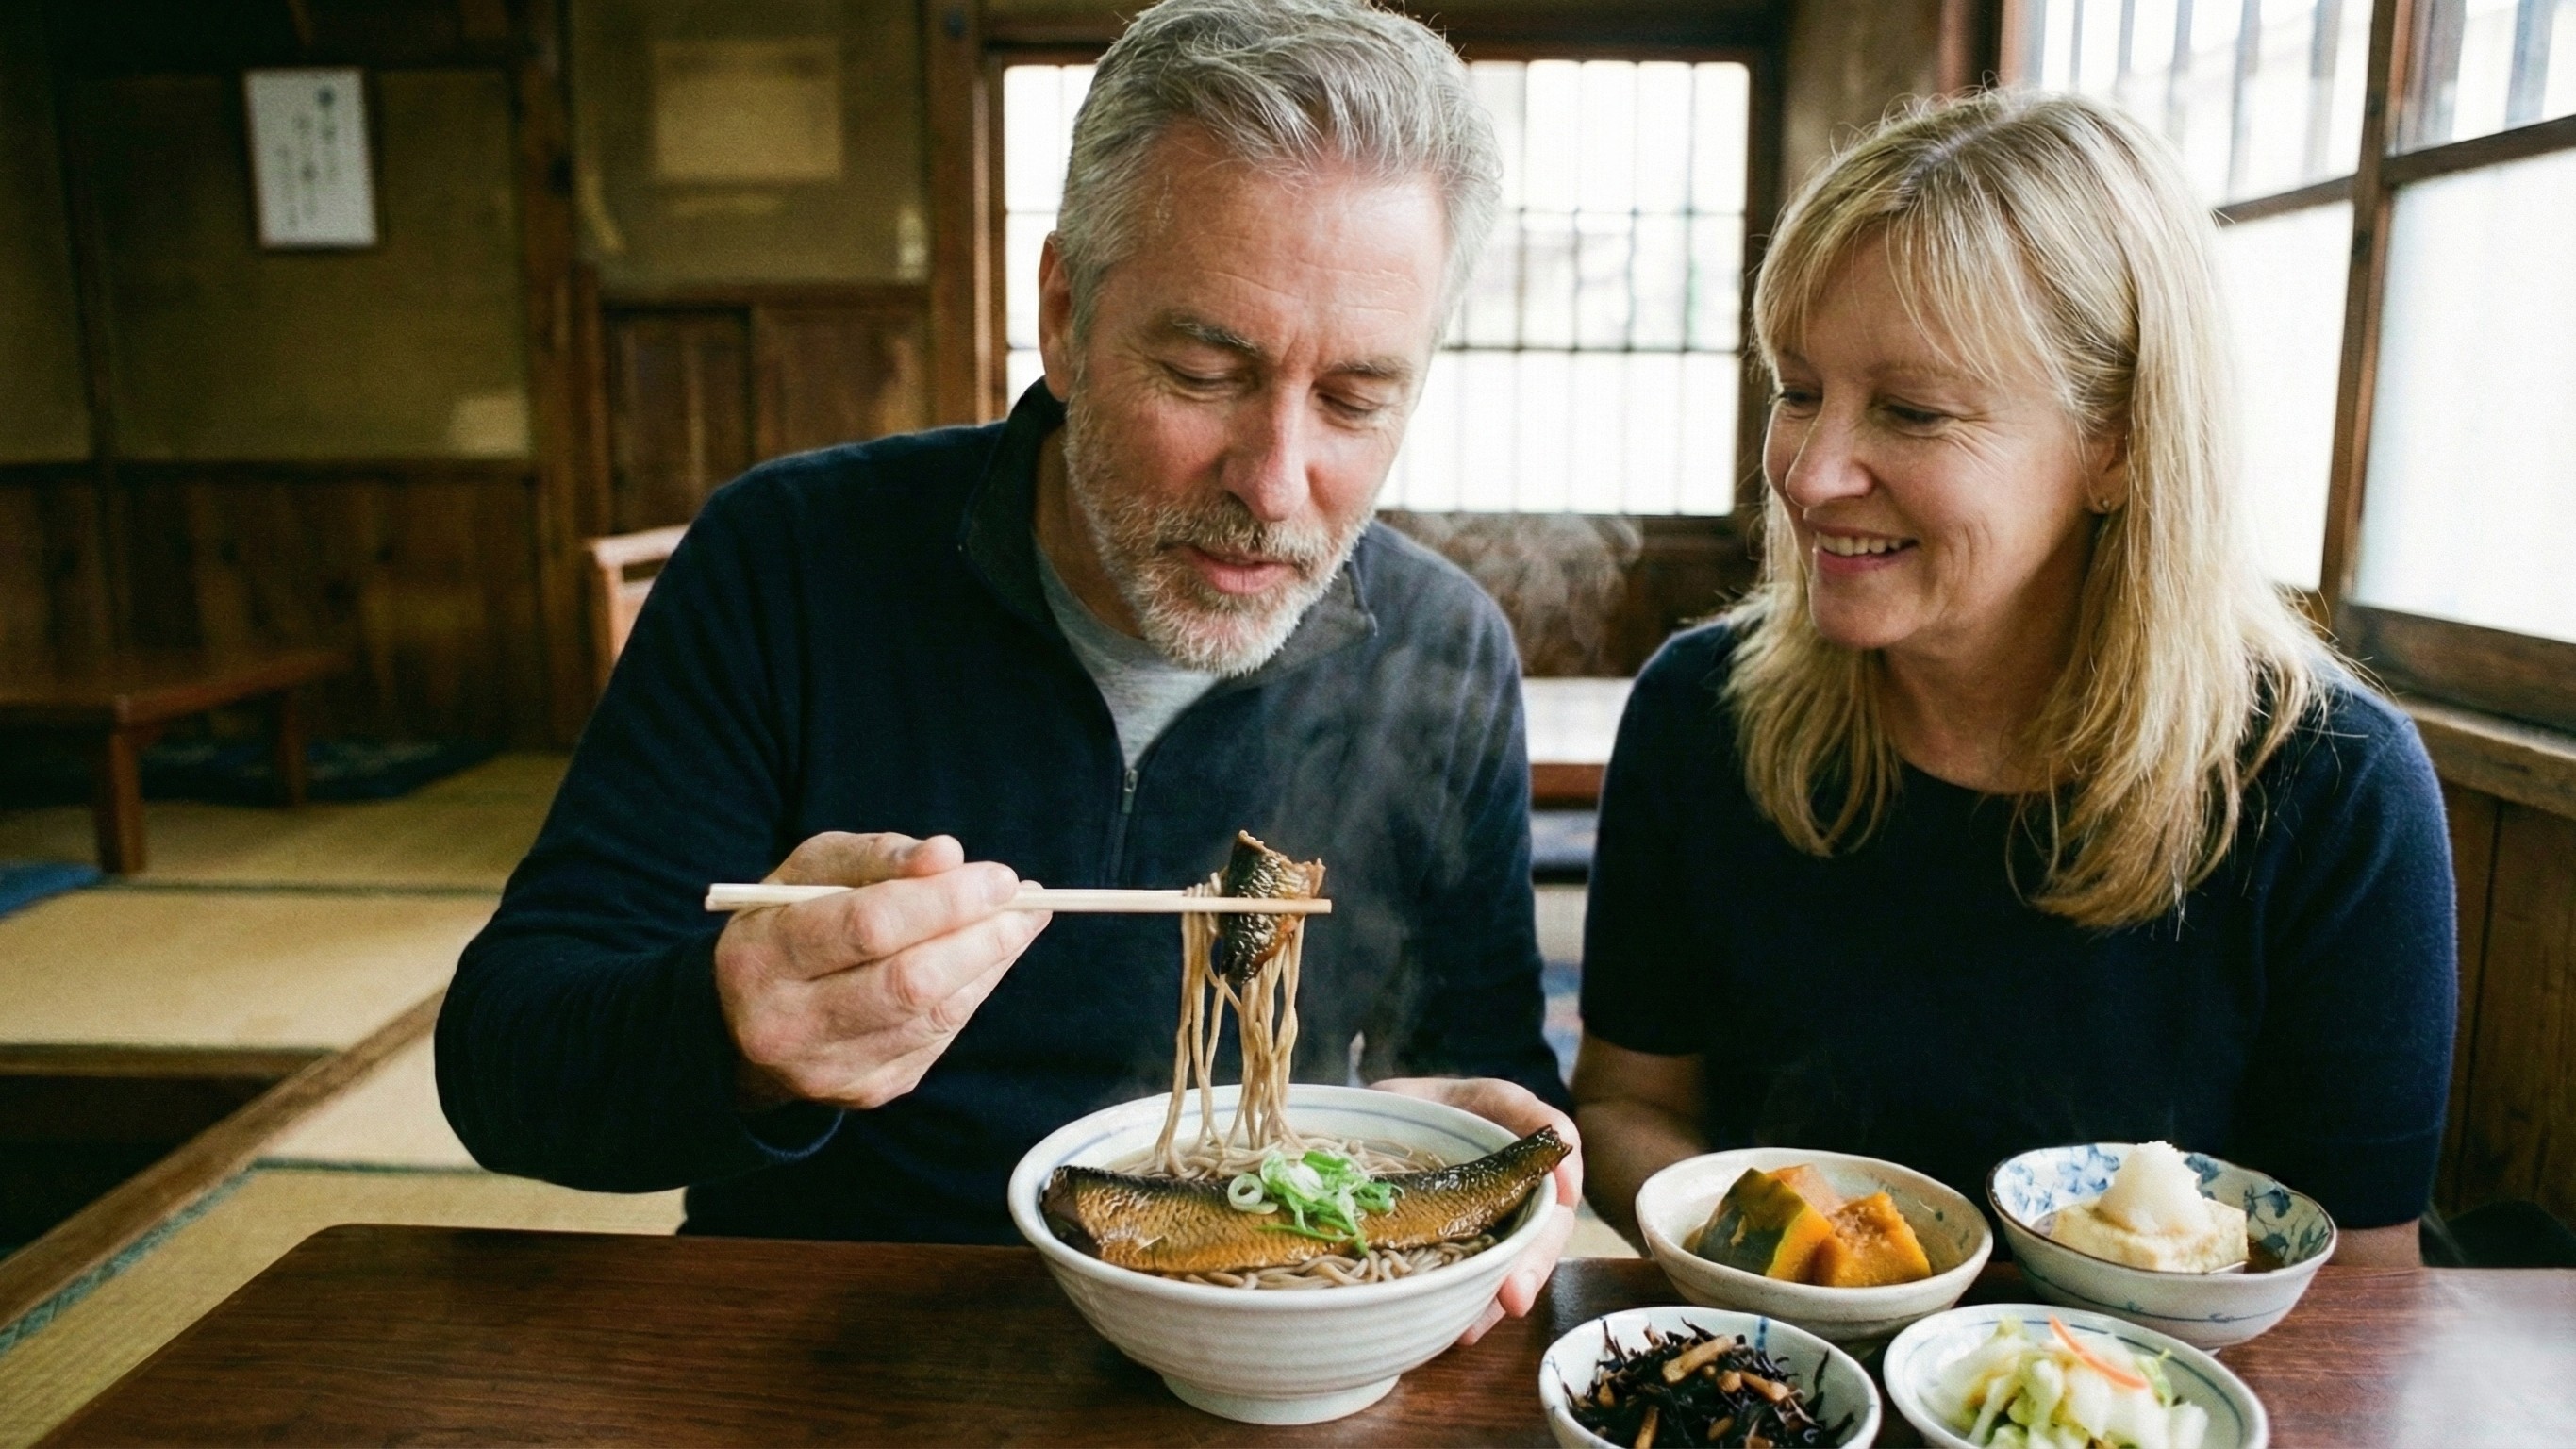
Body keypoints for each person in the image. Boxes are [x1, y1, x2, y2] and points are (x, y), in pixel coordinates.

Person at [437, 0, 1580, 1339]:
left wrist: (1478, 1142)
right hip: (829, 1338)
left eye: (1354, 401)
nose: (1274, 483)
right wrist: (733, 1031)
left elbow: (1479, 1057)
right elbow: (505, 1066)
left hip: (1268, 1338)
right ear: (1063, 314)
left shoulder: (1440, 647)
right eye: (1204, 371)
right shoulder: (792, 563)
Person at [1572, 91, 2453, 1269]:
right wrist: (1779, 1254)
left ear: (2121, 443)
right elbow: (1631, 1105)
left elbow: (2360, 1280)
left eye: (1913, 410)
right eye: (1796, 388)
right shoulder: (1702, 710)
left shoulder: (2332, 786)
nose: (1812, 469)